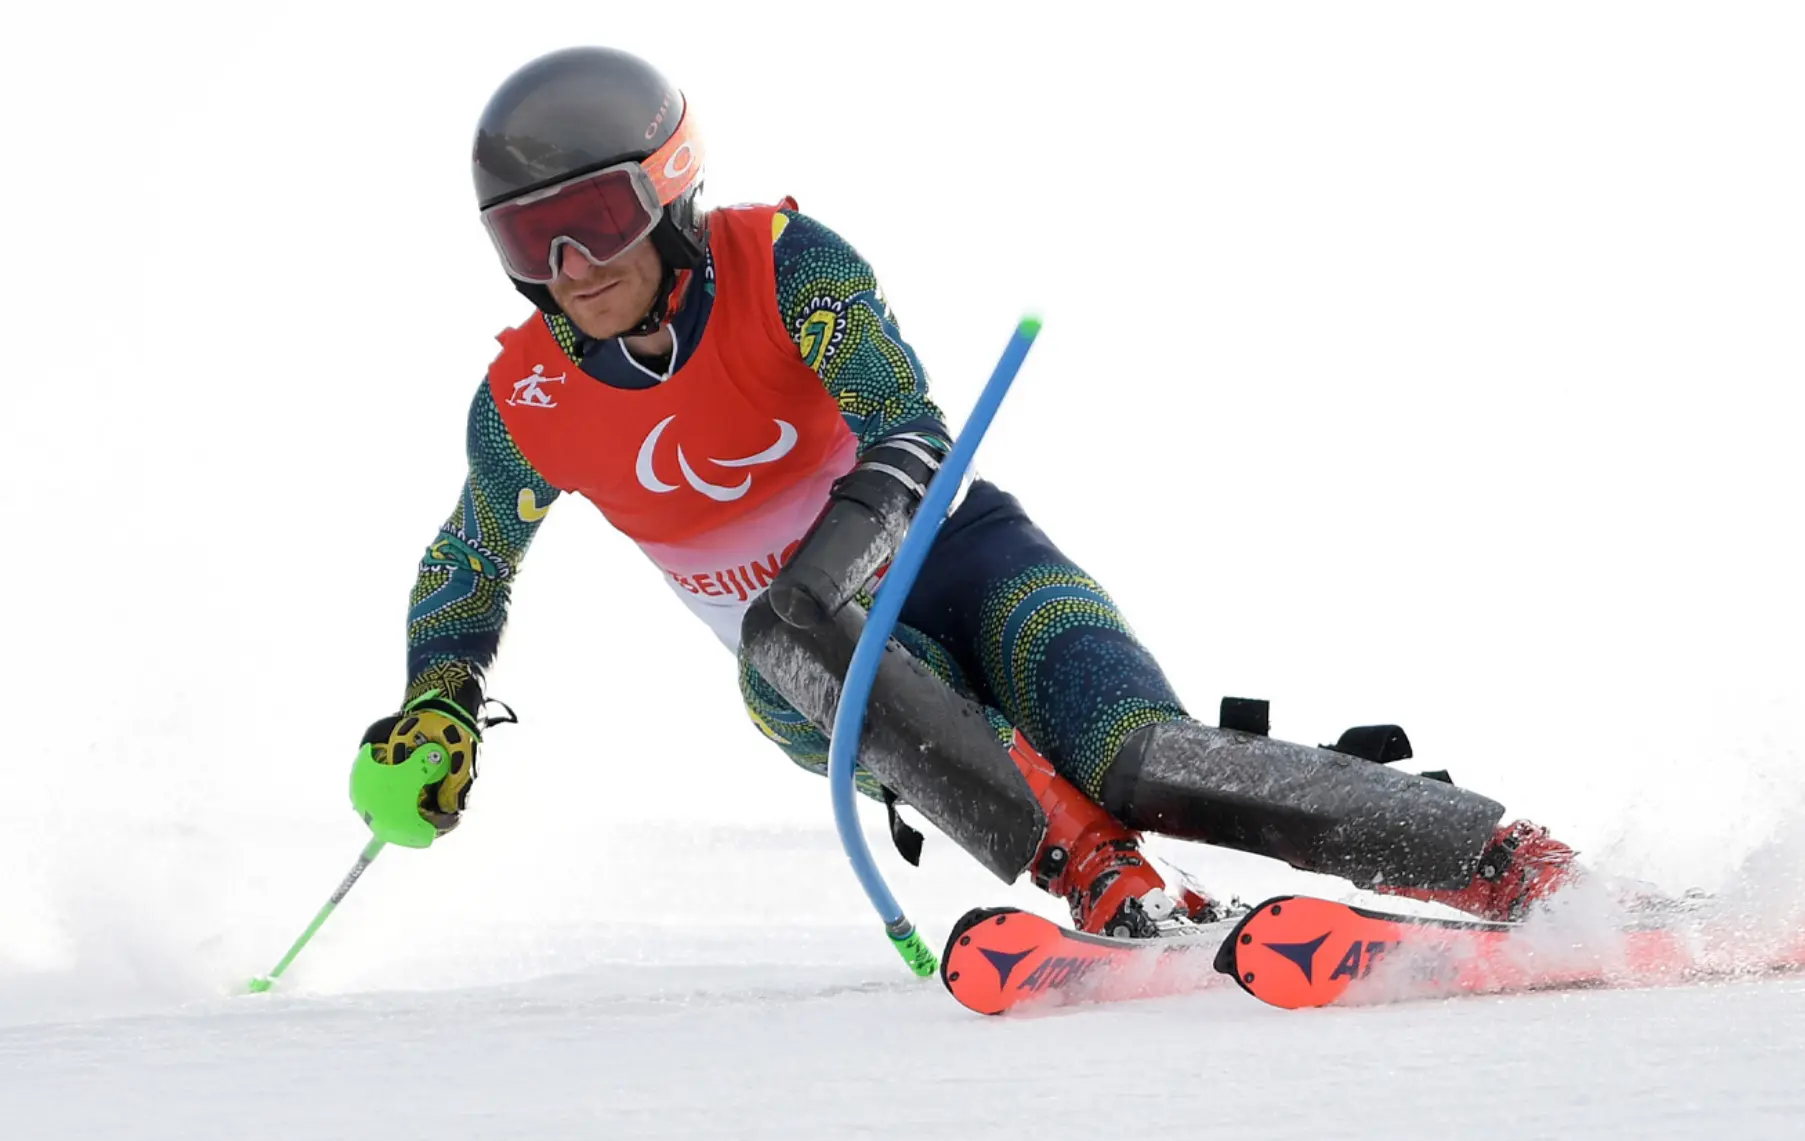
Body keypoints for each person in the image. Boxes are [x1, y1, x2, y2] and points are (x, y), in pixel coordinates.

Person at [358, 46, 1576, 938]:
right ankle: (1099, 877)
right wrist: (438, 700)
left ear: (668, 186)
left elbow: (906, 424)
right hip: (825, 681)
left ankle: (1500, 859)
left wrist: (818, 579)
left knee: (1140, 759)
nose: (571, 267)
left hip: (964, 566)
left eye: (594, 219)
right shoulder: (524, 403)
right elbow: (470, 560)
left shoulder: (781, 264)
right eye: (529, 239)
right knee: (784, 653)